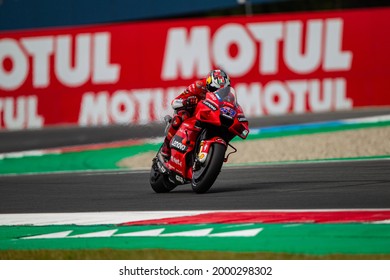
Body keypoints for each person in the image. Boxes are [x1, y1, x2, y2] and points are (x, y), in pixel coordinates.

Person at [161, 69, 231, 159]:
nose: (219, 93)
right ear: (208, 84)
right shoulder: (198, 86)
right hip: (192, 112)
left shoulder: (228, 96)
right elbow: (174, 103)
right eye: (214, 89)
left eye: (223, 91)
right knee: (181, 117)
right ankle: (166, 144)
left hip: (210, 115)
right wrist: (187, 102)